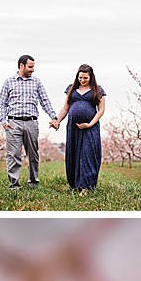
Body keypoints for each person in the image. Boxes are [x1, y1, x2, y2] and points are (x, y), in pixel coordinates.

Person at [0, 56, 58, 191]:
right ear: (21, 66)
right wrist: (4, 121)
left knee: (33, 154)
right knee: (13, 154)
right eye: (30, 67)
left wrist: (54, 117)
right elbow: (2, 103)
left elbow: (45, 101)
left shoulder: (36, 82)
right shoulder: (9, 82)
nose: (33, 70)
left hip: (31, 122)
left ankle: (33, 182)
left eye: (33, 67)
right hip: (13, 123)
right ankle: (14, 184)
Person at [52, 65, 106, 193]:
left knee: (88, 154)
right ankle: (76, 184)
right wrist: (57, 121)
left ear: (91, 77)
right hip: (73, 128)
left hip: (90, 127)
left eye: (85, 78)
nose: (82, 80)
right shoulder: (71, 88)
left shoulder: (97, 90)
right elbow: (65, 108)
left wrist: (90, 124)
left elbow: (101, 110)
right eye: (80, 77)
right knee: (74, 154)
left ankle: (86, 186)